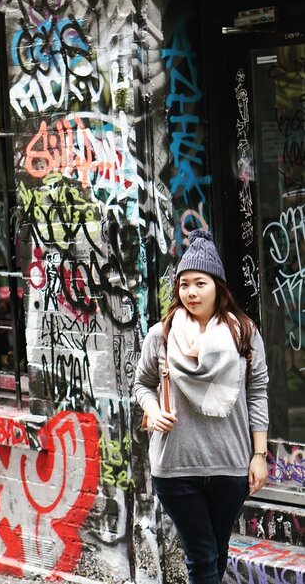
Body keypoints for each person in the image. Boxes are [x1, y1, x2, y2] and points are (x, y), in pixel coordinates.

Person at [134, 229, 269, 584]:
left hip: (230, 464)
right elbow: (141, 384)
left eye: (200, 283)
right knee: (203, 556)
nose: (191, 292)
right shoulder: (161, 335)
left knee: (216, 553)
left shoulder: (244, 333)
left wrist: (259, 455)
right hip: (176, 467)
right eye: (184, 285)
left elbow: (258, 392)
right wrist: (152, 408)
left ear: (218, 287)